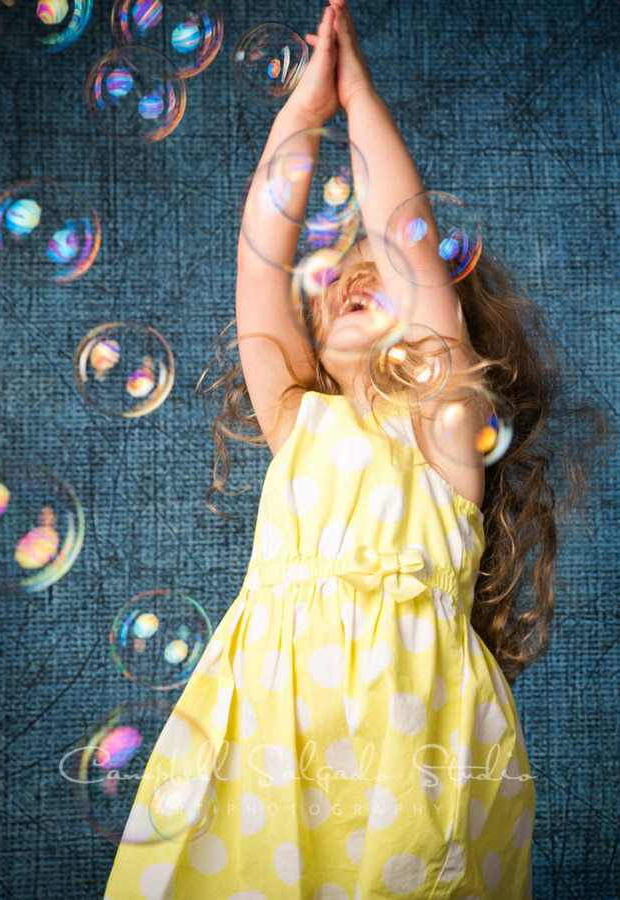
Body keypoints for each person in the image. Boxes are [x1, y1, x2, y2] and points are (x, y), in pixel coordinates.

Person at [104, 2, 606, 897]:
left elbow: (408, 234)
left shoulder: (444, 424)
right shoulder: (299, 415)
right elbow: (262, 266)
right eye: (330, 280)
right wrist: (299, 115)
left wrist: (358, 95)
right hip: (268, 726)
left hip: (414, 737)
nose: (349, 274)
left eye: (374, 265)